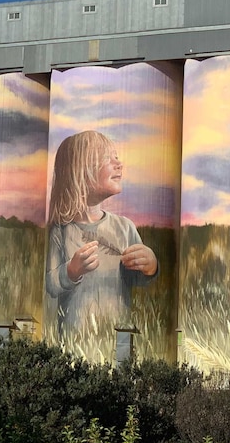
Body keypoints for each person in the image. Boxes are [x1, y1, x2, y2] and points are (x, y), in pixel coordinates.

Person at [45, 130, 157, 335]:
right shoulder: (60, 232)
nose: (119, 164)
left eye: (117, 157)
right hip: (75, 340)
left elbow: (137, 280)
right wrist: (71, 271)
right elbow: (50, 285)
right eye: (108, 158)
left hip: (117, 335)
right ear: (79, 171)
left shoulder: (125, 227)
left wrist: (150, 266)